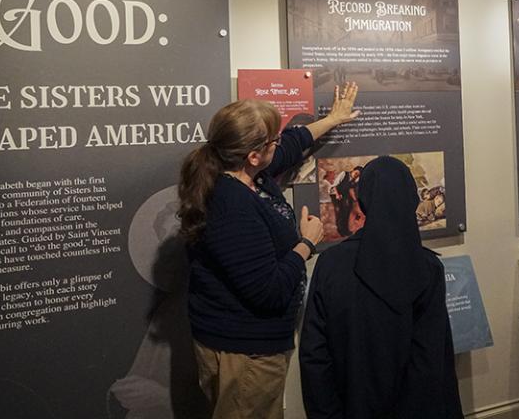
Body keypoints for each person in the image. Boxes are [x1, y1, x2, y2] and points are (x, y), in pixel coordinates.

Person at [178, 83, 359, 419]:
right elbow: (268, 291)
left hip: (244, 346)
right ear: (253, 155)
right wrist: (306, 243)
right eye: (273, 139)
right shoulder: (231, 204)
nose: (281, 141)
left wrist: (333, 119)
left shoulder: (245, 173)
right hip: (245, 353)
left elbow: (293, 143)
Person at [299, 156, 463, 419]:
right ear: (411, 199)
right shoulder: (427, 268)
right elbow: (432, 361)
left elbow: (315, 356)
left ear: (362, 200)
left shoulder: (330, 265)